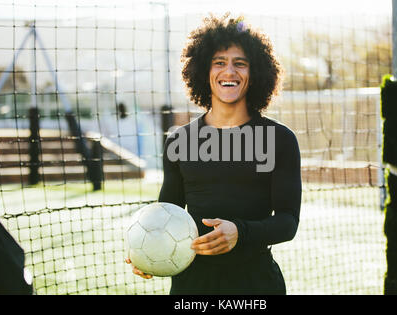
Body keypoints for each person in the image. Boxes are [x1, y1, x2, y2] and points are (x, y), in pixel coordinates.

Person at [126, 14, 301, 295]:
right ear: (203, 71)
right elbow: (166, 214)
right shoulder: (178, 140)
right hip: (192, 287)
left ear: (255, 73)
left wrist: (240, 232)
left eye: (240, 64)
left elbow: (288, 222)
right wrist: (148, 252)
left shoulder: (280, 140)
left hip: (255, 284)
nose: (229, 72)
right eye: (219, 62)